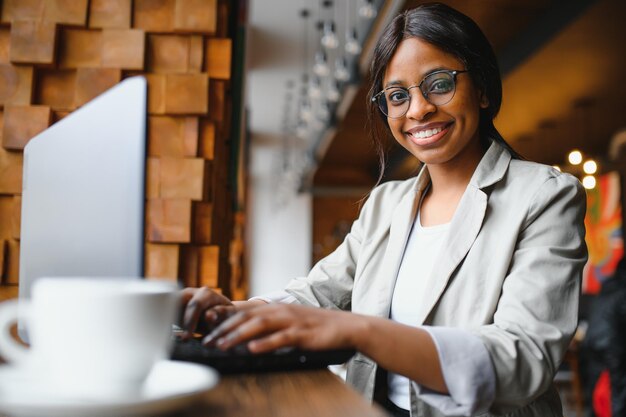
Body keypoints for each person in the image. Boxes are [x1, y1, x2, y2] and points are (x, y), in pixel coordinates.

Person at [181, 3, 588, 416]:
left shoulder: (544, 196)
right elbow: (320, 292)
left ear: (482, 89)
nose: (418, 109)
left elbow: (523, 360)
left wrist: (361, 330)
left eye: (439, 83)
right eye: (397, 96)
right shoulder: (385, 204)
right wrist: (238, 313)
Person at [581, 258, 626, 417]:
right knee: (618, 391)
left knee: (593, 389)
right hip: (612, 347)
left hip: (591, 343)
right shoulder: (622, 289)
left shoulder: (607, 286)